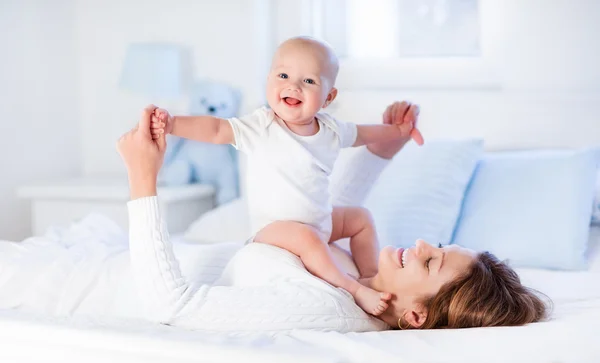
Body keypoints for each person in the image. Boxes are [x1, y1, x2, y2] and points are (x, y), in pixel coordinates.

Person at [116, 102, 548, 333]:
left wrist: (142, 176)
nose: (420, 246)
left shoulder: (328, 310)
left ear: (416, 316)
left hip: (114, 284)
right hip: (119, 264)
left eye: (431, 261)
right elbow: (324, 210)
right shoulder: (364, 281)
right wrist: (387, 143)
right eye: (436, 247)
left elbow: (170, 305)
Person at [149, 37, 426, 316]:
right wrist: (173, 124)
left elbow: (366, 134)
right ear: (269, 80)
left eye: (309, 81)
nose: (293, 85)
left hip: (321, 222)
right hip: (275, 230)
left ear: (329, 97)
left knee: (360, 218)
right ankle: (354, 288)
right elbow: (214, 130)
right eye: (283, 75)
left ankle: (371, 276)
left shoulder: (332, 130)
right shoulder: (261, 126)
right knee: (308, 239)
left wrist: (397, 131)